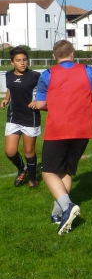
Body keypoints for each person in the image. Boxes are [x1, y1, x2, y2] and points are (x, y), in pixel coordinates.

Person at [35, 40, 92, 234]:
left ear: (54, 56)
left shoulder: (48, 74)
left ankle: (67, 207)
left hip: (58, 129)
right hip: (82, 129)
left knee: (48, 171)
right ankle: (58, 213)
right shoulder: (89, 70)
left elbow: (40, 104)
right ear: (73, 54)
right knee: (66, 171)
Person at [1, 46, 41, 188]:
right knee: (10, 151)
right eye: (18, 60)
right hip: (14, 117)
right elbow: (10, 88)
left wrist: (38, 101)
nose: (22, 63)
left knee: (28, 151)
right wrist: (6, 99)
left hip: (30, 118)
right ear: (12, 63)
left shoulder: (35, 76)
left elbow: (46, 91)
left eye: (24, 60)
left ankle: (32, 178)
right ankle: (21, 168)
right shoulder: (8, 75)